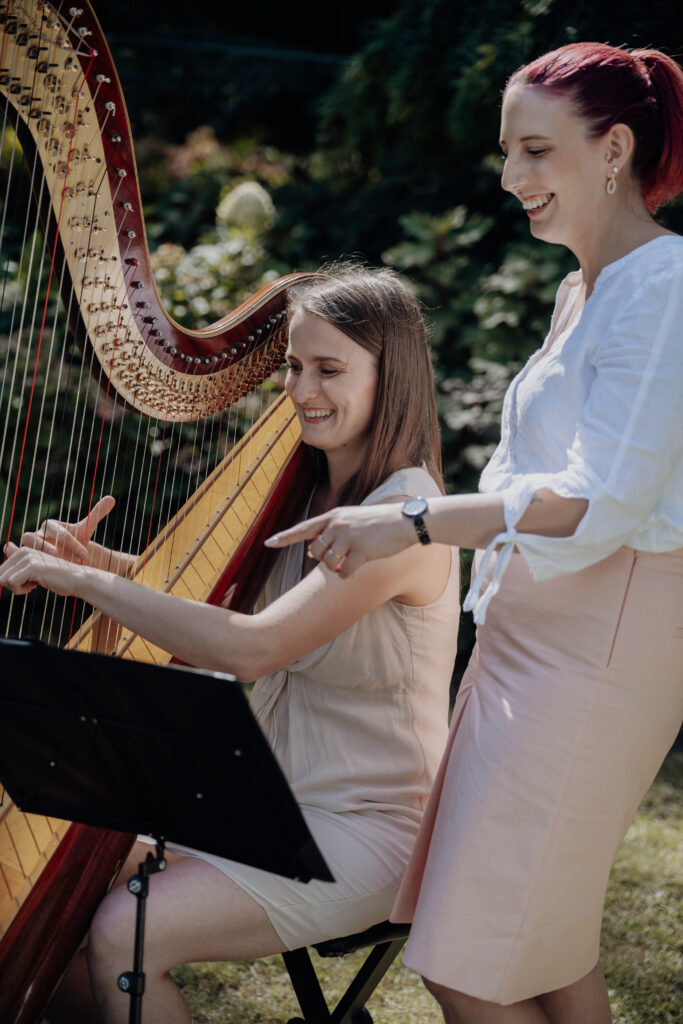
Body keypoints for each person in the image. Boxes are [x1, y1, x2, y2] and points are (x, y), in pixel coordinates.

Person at [264, 43, 683, 1024]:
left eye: (534, 150)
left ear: (612, 147)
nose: (509, 178)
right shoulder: (584, 286)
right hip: (526, 637)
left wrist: (408, 520)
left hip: (600, 639)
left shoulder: (660, 284)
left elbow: (597, 503)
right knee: (536, 947)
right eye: (505, 152)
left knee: (465, 953)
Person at [0, 266, 460, 1024]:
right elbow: (218, 603)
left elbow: (252, 646)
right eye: (292, 365)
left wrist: (93, 590)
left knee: (123, 928)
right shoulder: (304, 491)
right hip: (262, 806)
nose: (301, 389)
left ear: (392, 377)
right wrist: (99, 567)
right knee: (65, 908)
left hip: (364, 832)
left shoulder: (403, 517)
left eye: (329, 369)